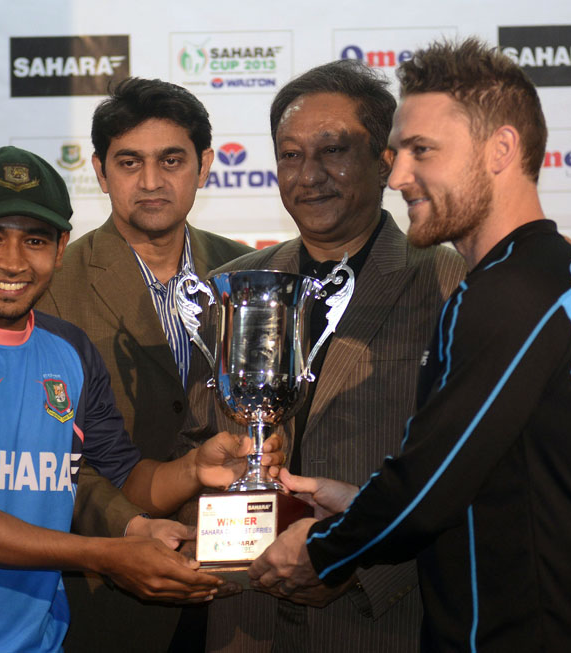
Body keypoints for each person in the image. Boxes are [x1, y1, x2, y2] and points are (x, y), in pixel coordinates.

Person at [248, 39, 571, 652]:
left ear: (501, 150)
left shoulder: (516, 290)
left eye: (422, 151)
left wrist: (321, 549)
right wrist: (357, 503)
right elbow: (474, 475)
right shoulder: (529, 275)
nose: (399, 175)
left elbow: (427, 493)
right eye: (399, 153)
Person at [0, 146, 279, 652]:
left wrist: (192, 470)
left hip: (41, 640)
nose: (12, 261)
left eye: (34, 240)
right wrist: (106, 555)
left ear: (60, 247)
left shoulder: (68, 347)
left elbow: (121, 476)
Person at [183, 59, 465, 653]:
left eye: (332, 150)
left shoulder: (450, 282)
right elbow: (197, 448)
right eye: (289, 155)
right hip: (245, 616)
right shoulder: (232, 287)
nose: (308, 175)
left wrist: (357, 564)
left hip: (380, 620)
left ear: (386, 159)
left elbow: (473, 470)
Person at [35, 77, 252, 651]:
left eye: (171, 160)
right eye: (129, 162)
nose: (151, 182)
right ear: (101, 171)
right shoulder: (51, 288)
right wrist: (124, 538)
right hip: (110, 597)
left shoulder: (250, 271)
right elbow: (44, 460)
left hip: (245, 594)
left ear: (204, 166)